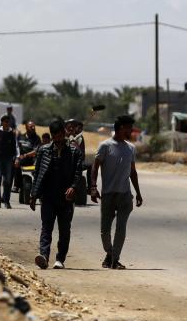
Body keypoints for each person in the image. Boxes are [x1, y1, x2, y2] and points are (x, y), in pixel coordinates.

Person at [90, 114, 143, 269]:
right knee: (104, 232)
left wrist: (138, 193)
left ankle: (114, 260)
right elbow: (95, 167)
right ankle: (110, 255)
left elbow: (133, 172)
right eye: (129, 128)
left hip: (125, 195)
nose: (131, 131)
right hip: (108, 194)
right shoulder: (105, 146)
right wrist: (93, 187)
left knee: (121, 229)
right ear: (121, 128)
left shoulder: (131, 148)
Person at [30, 119, 84, 269]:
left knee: (64, 229)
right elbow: (38, 174)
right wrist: (33, 195)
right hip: (47, 196)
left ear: (64, 134)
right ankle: (44, 256)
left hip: (65, 198)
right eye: (54, 135)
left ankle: (60, 259)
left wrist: (73, 187)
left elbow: (78, 174)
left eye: (59, 135)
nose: (57, 138)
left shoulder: (74, 152)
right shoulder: (43, 150)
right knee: (46, 227)